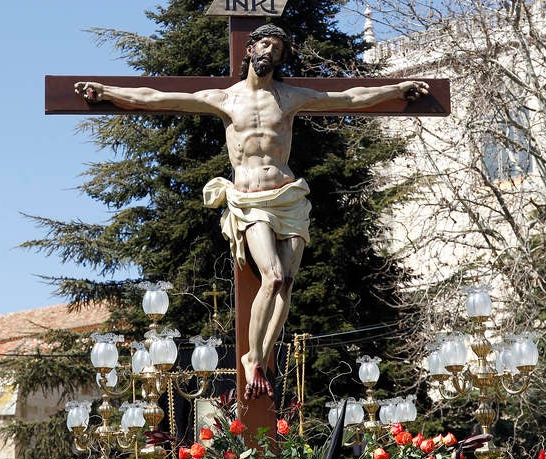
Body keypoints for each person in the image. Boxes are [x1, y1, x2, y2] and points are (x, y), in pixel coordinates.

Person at [75, 25, 428, 400]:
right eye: (264, 44)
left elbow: (352, 97)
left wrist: (395, 89)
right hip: (250, 200)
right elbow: (155, 96)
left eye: (276, 48)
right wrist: (107, 91)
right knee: (272, 277)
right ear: (249, 50)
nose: (269, 52)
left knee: (287, 282)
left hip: (288, 196)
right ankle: (251, 356)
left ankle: (264, 353)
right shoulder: (225, 99)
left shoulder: (289, 97)